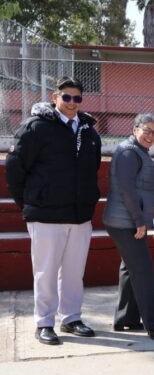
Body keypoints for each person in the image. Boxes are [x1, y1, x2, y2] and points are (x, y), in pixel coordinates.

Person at [5, 77, 101, 345]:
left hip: (79, 215)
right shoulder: (35, 127)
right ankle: (44, 322)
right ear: (55, 97)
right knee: (45, 272)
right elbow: (15, 169)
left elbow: (91, 169)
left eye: (77, 98)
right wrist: (29, 204)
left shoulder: (88, 130)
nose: (72, 103)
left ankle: (71, 317)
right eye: (66, 97)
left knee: (73, 272)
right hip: (45, 215)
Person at [103, 113, 154, 341]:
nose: (151, 135)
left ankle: (126, 319)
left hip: (128, 220)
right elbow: (126, 190)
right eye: (146, 130)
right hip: (126, 222)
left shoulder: (138, 151)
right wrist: (139, 220)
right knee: (143, 271)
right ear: (135, 128)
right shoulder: (129, 152)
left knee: (130, 269)